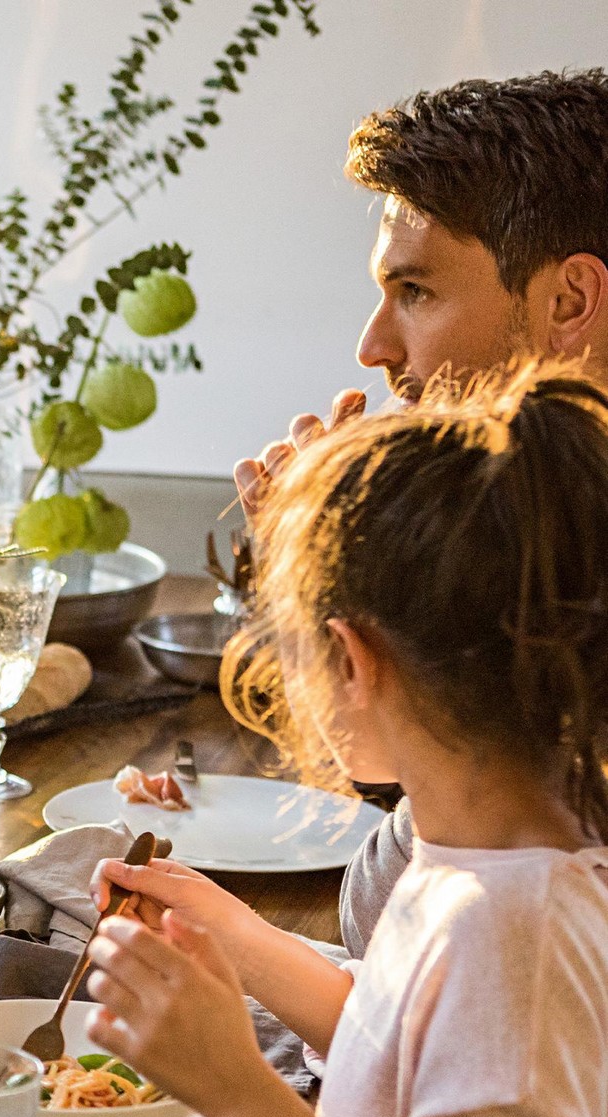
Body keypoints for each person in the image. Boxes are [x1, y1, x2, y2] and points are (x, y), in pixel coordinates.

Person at [86, 364, 608, 1117]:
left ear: (354, 661)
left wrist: (239, 1091)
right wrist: (229, 935)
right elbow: (413, 1036)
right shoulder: (494, 848)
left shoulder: (512, 934)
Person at [232, 70, 608, 956]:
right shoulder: (539, 528)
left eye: (417, 292)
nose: (375, 347)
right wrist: (318, 575)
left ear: (570, 302)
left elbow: (413, 919)